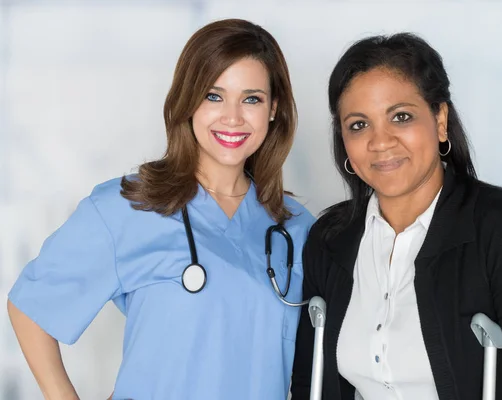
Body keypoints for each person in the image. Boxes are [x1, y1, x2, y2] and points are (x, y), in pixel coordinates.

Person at [7, 18, 314, 400]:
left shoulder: (298, 228)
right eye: (213, 96)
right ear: (188, 103)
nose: (233, 117)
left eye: (251, 98)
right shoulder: (129, 208)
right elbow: (31, 308)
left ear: (274, 109)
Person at [291, 33, 502, 400]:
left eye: (401, 117)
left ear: (440, 120)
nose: (380, 141)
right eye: (358, 125)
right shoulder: (330, 239)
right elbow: (310, 383)